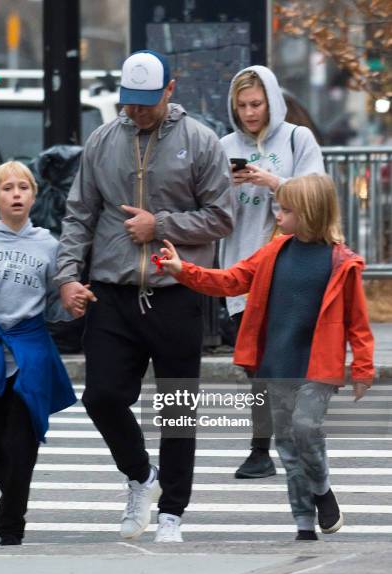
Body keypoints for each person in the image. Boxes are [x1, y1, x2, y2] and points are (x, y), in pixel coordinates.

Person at [56, 50, 234, 543]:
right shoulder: (102, 141)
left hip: (176, 291)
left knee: (176, 407)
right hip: (112, 291)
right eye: (129, 103)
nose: (137, 112)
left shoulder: (200, 142)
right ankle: (141, 476)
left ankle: (173, 511)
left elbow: (222, 216)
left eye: (147, 103)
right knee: (102, 397)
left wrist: (161, 225)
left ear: (170, 90)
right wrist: (68, 277)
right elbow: (78, 214)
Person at [159, 174, 374, 540]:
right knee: (288, 449)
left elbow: (358, 321)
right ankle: (304, 525)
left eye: (286, 209)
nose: (278, 215)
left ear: (309, 214)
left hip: (317, 369)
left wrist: (363, 368)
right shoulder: (273, 253)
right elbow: (229, 281)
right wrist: (184, 271)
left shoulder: (341, 262)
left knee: (306, 428)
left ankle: (321, 488)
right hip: (275, 367)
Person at [0, 161, 76, 546]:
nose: (16, 193)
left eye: (24, 187)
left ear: (34, 196)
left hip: (30, 353)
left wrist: (76, 303)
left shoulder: (49, 245)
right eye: (7, 188)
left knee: (21, 444)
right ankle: (13, 495)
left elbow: (58, 303)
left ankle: (10, 522)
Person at [219, 65, 325, 479]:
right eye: (242, 105)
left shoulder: (298, 139)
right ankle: (270, 445)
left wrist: (274, 181)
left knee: (277, 361)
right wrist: (224, 185)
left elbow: (317, 194)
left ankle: (266, 447)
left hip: (294, 265)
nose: (249, 113)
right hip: (244, 266)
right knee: (256, 364)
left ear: (272, 102)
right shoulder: (225, 144)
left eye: (256, 104)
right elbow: (211, 207)